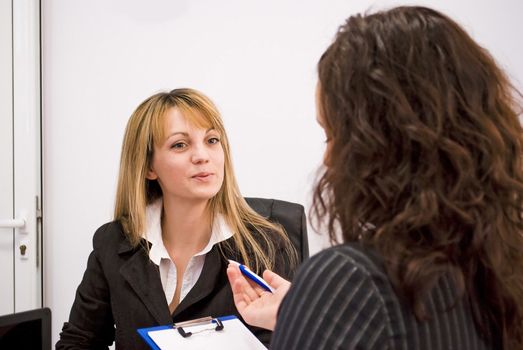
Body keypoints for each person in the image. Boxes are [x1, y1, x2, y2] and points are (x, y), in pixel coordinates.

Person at [227, 6, 523, 349]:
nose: (327, 157)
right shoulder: (499, 269)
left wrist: (319, 310)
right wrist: (305, 314)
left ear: (380, 144)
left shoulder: (350, 280)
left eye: (333, 136)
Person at [56, 88, 306, 349]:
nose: (202, 156)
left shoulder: (265, 246)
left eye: (212, 140)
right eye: (180, 144)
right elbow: (78, 341)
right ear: (149, 166)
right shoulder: (113, 241)